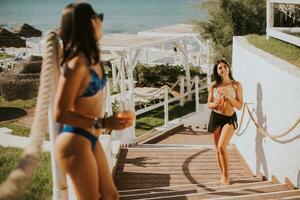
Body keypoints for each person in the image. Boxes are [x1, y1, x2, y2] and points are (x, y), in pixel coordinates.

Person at [54, 3, 133, 200]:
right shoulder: (77, 63)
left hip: (91, 138)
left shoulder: (91, 59)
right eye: (100, 16)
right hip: (75, 139)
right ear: (90, 22)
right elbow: (60, 112)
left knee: (110, 196)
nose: (102, 22)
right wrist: (104, 123)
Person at [207, 59, 243, 185]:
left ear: (228, 68)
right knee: (218, 149)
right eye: (220, 68)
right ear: (217, 71)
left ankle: (227, 176)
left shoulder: (236, 85)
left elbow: (239, 106)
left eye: (224, 66)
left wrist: (228, 97)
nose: (223, 69)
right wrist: (214, 104)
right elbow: (209, 103)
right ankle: (222, 173)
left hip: (229, 118)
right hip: (216, 118)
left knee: (222, 146)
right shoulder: (213, 86)